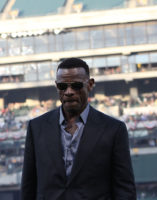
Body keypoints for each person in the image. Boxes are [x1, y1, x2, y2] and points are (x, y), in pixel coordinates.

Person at [21, 58, 136, 200]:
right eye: (63, 86)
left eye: (76, 86)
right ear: (57, 86)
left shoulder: (114, 129)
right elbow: (28, 185)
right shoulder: (36, 128)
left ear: (90, 84)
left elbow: (124, 189)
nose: (69, 92)